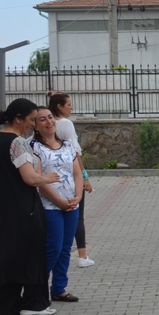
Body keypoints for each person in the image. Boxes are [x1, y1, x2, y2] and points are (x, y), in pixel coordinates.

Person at [0, 98, 61, 315]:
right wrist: (46, 177)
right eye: (31, 120)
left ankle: (4, 307)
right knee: (32, 255)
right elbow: (29, 178)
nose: (33, 124)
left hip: (2, 208)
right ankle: (34, 303)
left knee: (11, 256)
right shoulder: (18, 142)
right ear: (18, 118)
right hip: (24, 209)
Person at [31, 107, 84, 303]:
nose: (49, 122)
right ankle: (36, 287)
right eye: (42, 119)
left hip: (71, 204)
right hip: (50, 206)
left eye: (51, 117)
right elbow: (38, 180)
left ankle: (59, 287)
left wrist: (77, 197)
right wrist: (59, 201)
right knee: (52, 247)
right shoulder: (34, 147)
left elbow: (76, 173)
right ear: (35, 125)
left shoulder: (68, 146)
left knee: (65, 247)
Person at [49, 93, 94, 267]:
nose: (71, 107)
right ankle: (82, 256)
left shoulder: (49, 124)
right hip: (70, 174)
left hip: (54, 174)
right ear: (59, 106)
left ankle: (62, 253)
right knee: (77, 216)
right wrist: (84, 177)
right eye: (68, 104)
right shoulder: (65, 124)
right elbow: (75, 151)